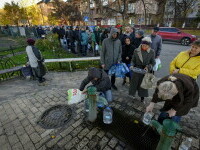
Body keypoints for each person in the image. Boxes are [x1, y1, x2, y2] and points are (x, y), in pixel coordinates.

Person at [129, 37, 155, 102]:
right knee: (134, 84)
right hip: (137, 70)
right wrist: (132, 65)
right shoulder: (136, 50)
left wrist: (148, 67)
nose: (144, 47)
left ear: (149, 45)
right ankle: (132, 95)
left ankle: (142, 98)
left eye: (146, 45)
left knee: (143, 85)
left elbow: (153, 62)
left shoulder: (152, 52)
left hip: (145, 71)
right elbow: (133, 60)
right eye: (143, 45)